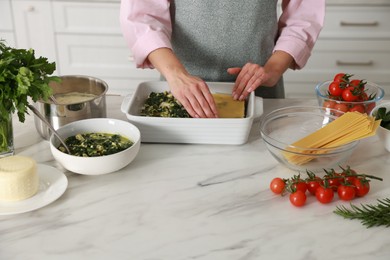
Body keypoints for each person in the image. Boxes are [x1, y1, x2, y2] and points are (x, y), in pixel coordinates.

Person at [120, 0, 325, 118]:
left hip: (259, 90)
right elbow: (142, 15)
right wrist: (176, 75)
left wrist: (272, 69)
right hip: (180, 92)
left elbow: (304, 14)